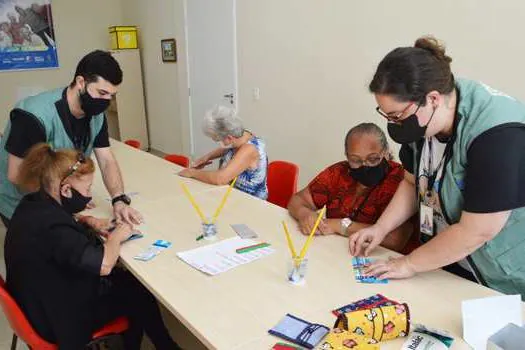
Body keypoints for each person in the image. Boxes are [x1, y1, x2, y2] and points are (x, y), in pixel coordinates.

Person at [349, 36, 525, 298]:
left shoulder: (498, 136)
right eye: (386, 116)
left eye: (397, 116)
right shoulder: (424, 118)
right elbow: (411, 182)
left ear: (432, 99)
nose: (394, 124)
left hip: (507, 273)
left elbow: (477, 231)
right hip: (457, 261)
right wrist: (380, 228)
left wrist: (409, 263)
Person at [4, 143, 182, 349]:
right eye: (87, 189)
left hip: (35, 304)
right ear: (66, 190)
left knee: (127, 284)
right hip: (57, 319)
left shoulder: (33, 204)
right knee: (137, 293)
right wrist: (117, 236)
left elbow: (59, 234)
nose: (89, 195)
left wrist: (86, 221)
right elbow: (104, 265)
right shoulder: (54, 227)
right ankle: (164, 346)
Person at [0, 50, 142, 228]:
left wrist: (118, 199)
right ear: (81, 82)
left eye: (111, 96)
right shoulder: (33, 115)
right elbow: (16, 175)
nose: (106, 101)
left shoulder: (95, 114)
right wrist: (68, 198)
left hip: (61, 198)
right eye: (102, 92)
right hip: (21, 203)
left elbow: (106, 160)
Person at [288, 123, 413, 253]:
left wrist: (340, 225)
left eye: (373, 158)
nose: (365, 165)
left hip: (381, 258)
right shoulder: (338, 173)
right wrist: (305, 214)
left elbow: (396, 240)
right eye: (355, 160)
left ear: (386, 152)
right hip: (335, 250)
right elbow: (298, 199)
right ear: (347, 156)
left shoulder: (402, 180)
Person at [179, 105, 268, 199]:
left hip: (250, 204)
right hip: (231, 196)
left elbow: (220, 178)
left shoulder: (249, 149)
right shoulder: (242, 135)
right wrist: (208, 157)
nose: (218, 143)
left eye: (218, 140)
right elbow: (231, 148)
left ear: (229, 137)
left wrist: (192, 173)